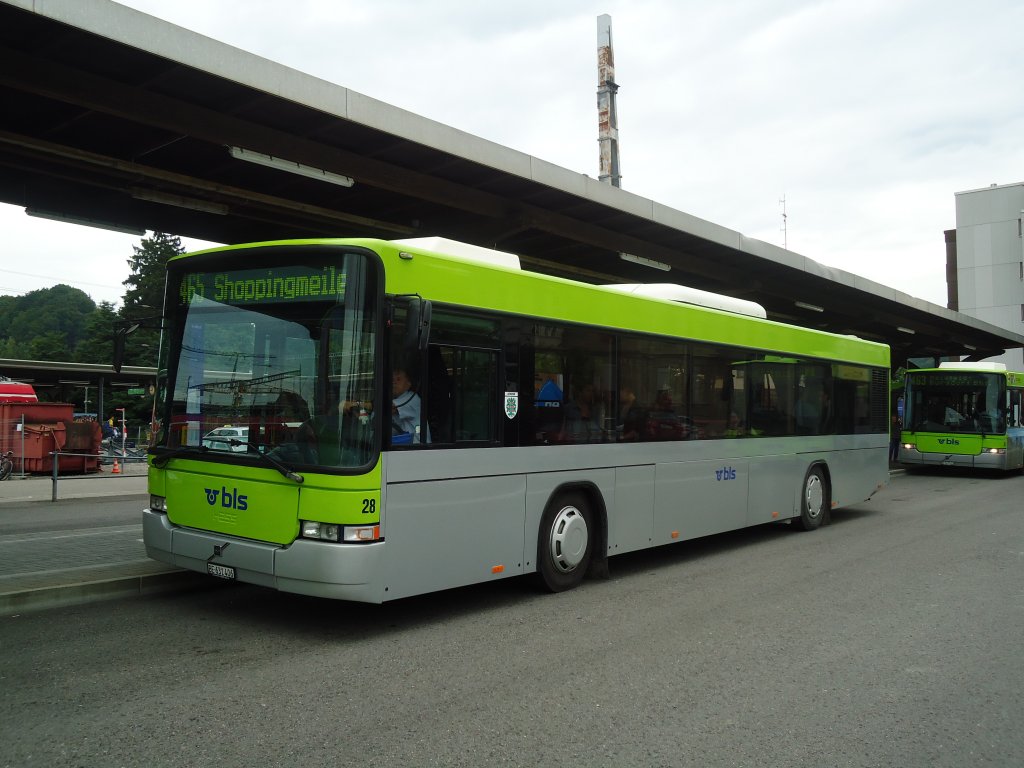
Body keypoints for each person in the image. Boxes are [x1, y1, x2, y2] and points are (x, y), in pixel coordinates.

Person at [391, 367, 425, 443]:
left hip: (417, 447)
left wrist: (367, 405)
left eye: (398, 379)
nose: (394, 382)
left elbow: (389, 408)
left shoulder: (412, 398)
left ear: (409, 383)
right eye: (392, 380)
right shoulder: (397, 399)